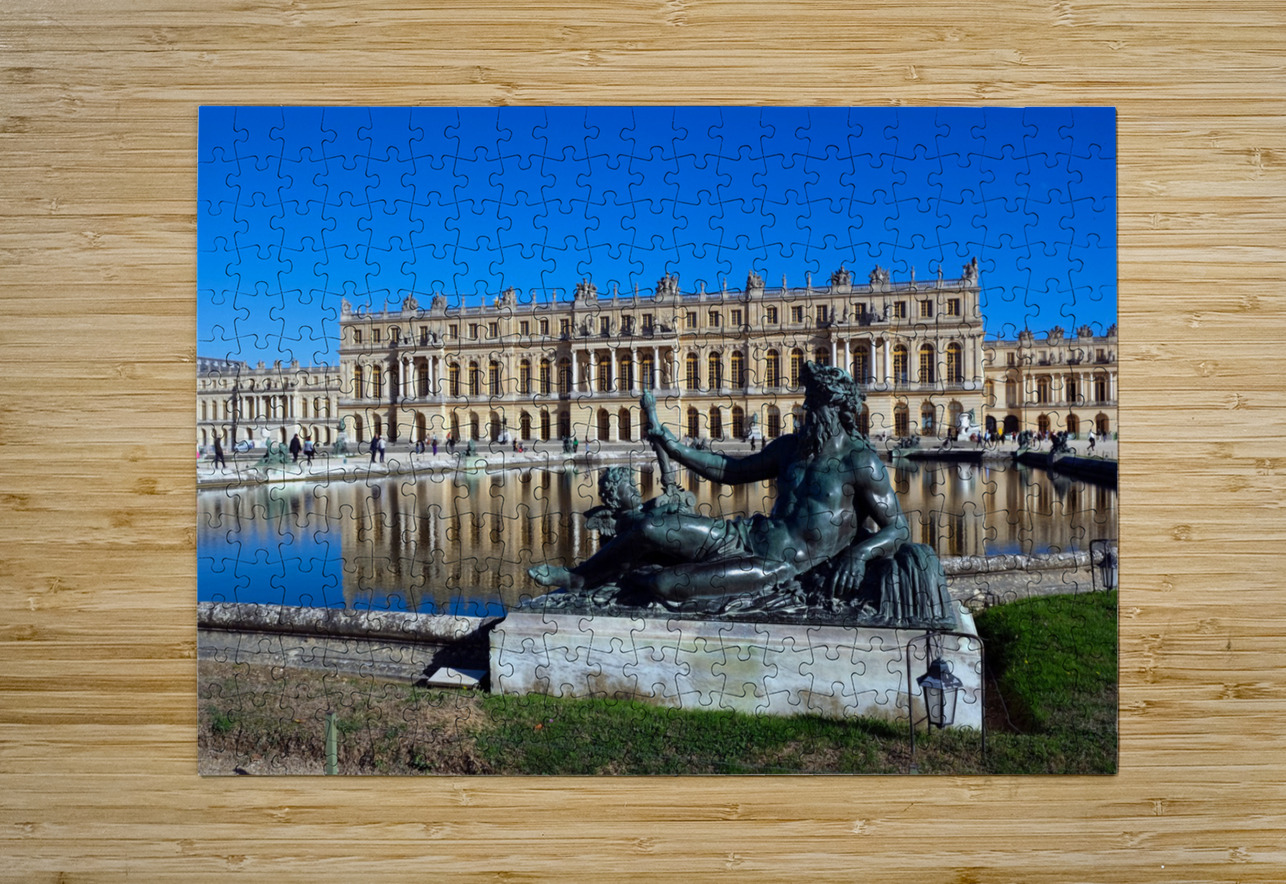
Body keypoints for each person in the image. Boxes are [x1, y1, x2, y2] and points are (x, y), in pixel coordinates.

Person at [530, 362, 943, 615]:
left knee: (664, 586)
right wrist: (674, 448)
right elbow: (730, 470)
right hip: (745, 535)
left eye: (811, 404)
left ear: (834, 409)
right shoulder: (791, 448)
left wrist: (860, 552)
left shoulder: (861, 461)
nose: (803, 410)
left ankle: (637, 577)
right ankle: (581, 579)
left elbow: (898, 529)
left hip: (778, 567)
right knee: (651, 529)